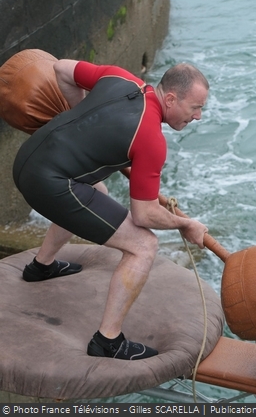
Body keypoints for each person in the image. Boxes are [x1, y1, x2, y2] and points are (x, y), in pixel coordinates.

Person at [12, 59, 210, 360]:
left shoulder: (120, 77)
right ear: (171, 99)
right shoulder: (151, 139)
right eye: (195, 107)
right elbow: (144, 215)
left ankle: (41, 267)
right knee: (144, 245)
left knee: (97, 190)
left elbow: (62, 69)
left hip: (28, 157)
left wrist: (76, 119)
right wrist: (186, 225)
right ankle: (108, 341)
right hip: (49, 184)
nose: (197, 117)